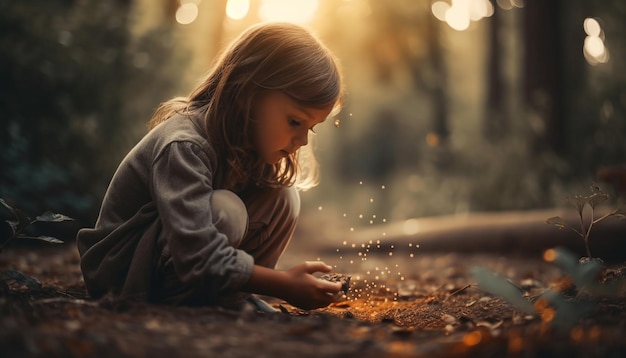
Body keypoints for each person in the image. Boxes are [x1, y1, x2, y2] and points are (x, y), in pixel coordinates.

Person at [76, 22, 344, 311]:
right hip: (123, 274)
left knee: (283, 196)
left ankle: (226, 297)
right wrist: (282, 284)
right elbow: (195, 251)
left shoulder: (245, 146)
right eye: (295, 122)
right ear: (247, 93)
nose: (303, 140)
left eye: (311, 128)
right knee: (226, 210)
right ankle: (196, 300)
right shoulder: (184, 145)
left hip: (173, 262)